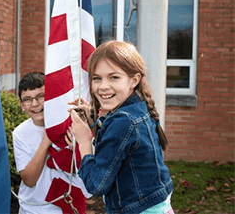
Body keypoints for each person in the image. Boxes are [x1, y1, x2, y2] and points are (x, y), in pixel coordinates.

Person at [68, 40, 174, 214]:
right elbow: (119, 148)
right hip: (155, 204)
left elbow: (96, 184)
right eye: (97, 78)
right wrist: (93, 120)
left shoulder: (123, 121)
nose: (103, 86)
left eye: (114, 77)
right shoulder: (136, 108)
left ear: (134, 80)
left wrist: (84, 141)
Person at [12, 72, 63, 213]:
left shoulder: (68, 125)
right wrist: (46, 141)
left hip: (65, 207)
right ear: (22, 105)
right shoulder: (20, 133)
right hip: (32, 209)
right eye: (27, 100)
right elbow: (29, 180)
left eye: (41, 97)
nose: (35, 104)